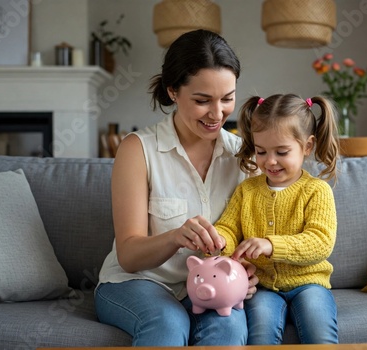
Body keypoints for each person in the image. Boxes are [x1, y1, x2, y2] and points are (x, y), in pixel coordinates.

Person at [94, 29, 258, 346]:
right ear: (173, 91)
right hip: (137, 281)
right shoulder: (137, 150)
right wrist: (174, 237)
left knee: (229, 329)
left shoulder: (243, 156)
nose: (217, 113)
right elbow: (128, 255)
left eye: (227, 99)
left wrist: (246, 276)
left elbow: (251, 237)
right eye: (202, 100)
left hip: (210, 287)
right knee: (167, 324)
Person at [214, 93, 340, 345]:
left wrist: (272, 245)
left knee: (320, 333)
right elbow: (227, 228)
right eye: (261, 151)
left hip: (309, 284)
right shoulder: (247, 190)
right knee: (260, 333)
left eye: (281, 152)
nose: (270, 161)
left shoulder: (316, 191)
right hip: (263, 287)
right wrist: (217, 241)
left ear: (307, 146)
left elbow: (320, 242)